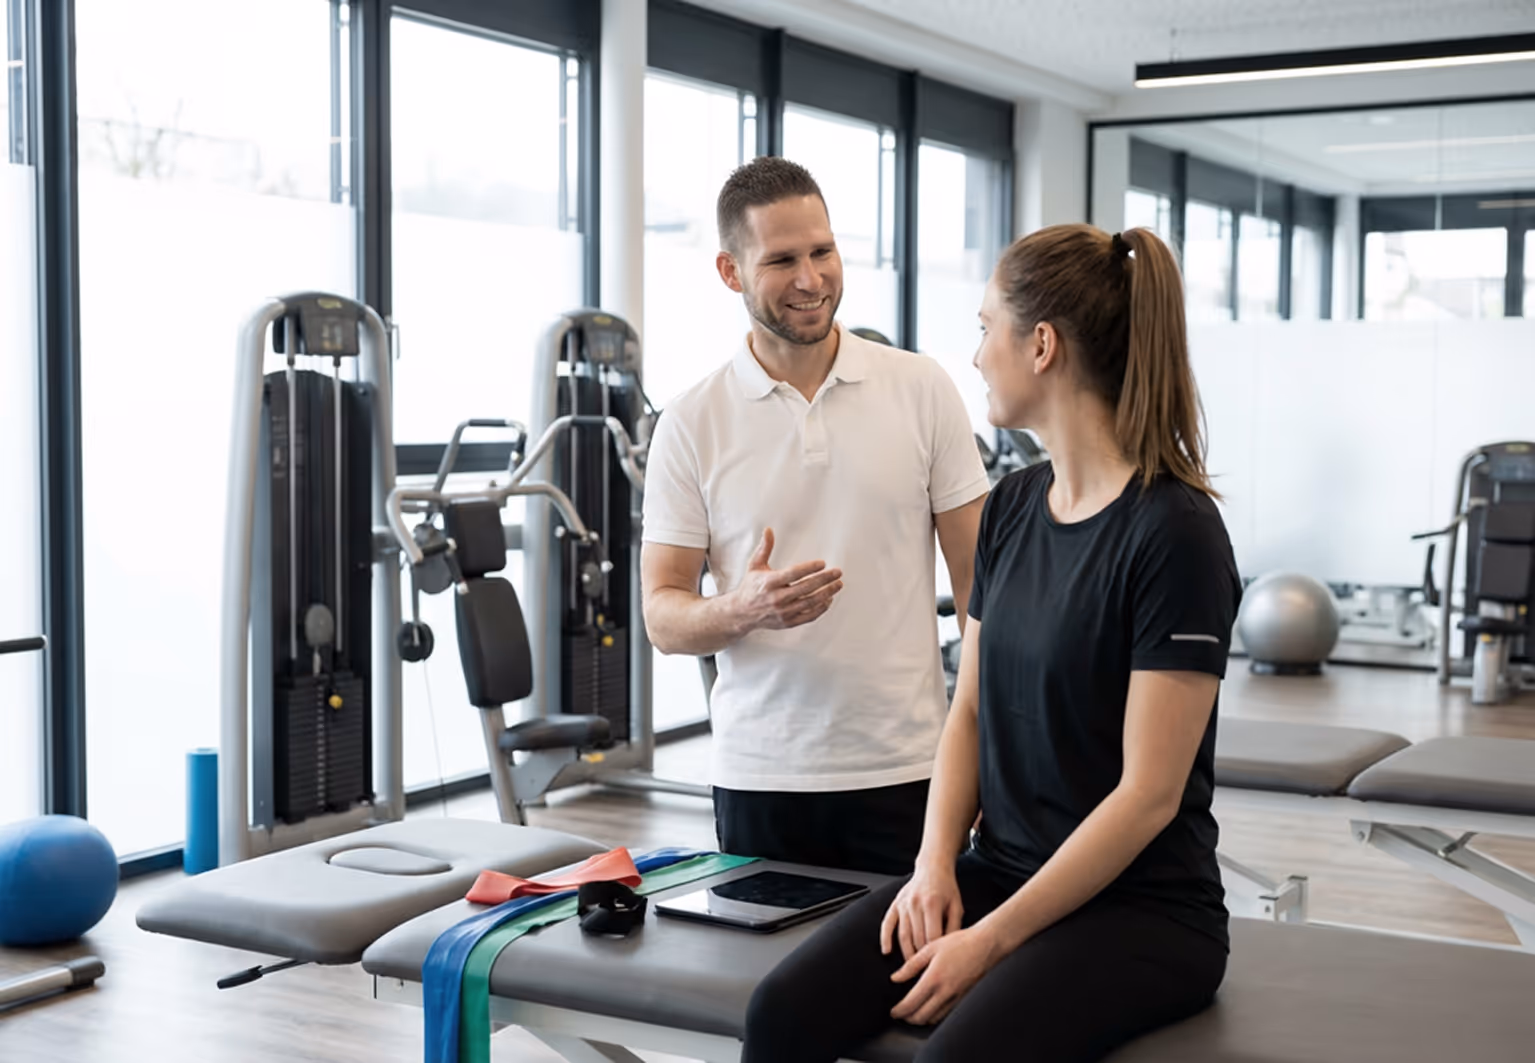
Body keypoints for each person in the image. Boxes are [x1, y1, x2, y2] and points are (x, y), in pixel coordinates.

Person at [740, 224, 1243, 1062]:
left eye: (985, 329)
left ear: (1040, 345)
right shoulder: (1012, 506)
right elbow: (968, 707)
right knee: (780, 1012)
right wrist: (933, 866)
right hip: (997, 867)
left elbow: (1147, 796)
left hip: (1144, 910)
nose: (975, 356)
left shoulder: (1174, 532)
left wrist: (992, 939)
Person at [640, 156, 989, 876]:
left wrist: (989, 749)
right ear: (730, 271)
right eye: (782, 260)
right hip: (762, 777)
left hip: (911, 767)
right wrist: (740, 608)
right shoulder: (689, 420)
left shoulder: (920, 388)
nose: (810, 279)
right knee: (767, 989)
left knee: (915, 986)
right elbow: (662, 616)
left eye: (822, 252)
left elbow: (984, 587)